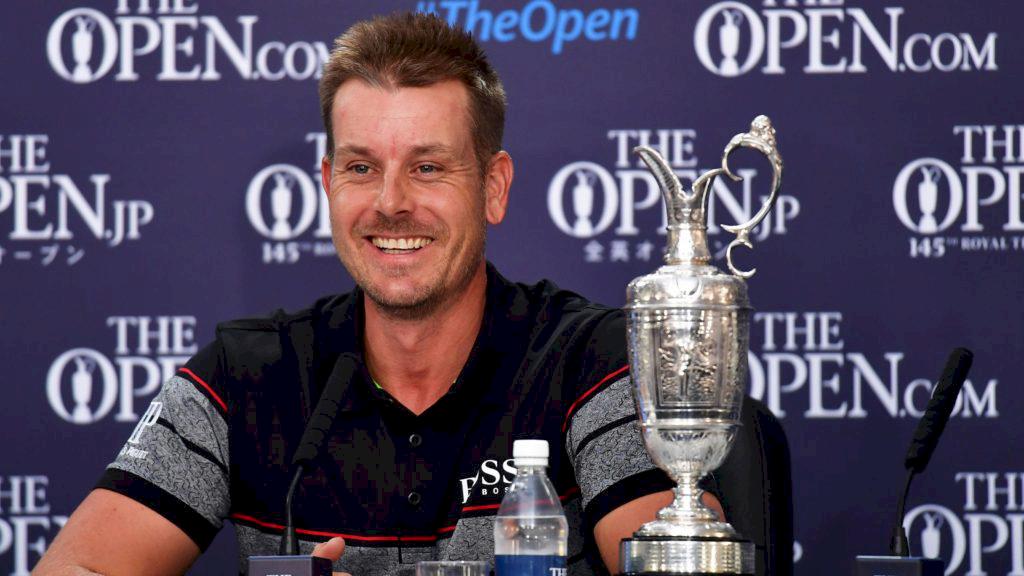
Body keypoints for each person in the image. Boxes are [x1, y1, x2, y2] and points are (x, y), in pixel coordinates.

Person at [33, 12, 726, 576]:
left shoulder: (587, 360)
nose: (391, 203)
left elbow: (672, 561)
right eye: (362, 168)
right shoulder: (247, 373)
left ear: (493, 187)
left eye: (428, 167)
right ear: (328, 184)